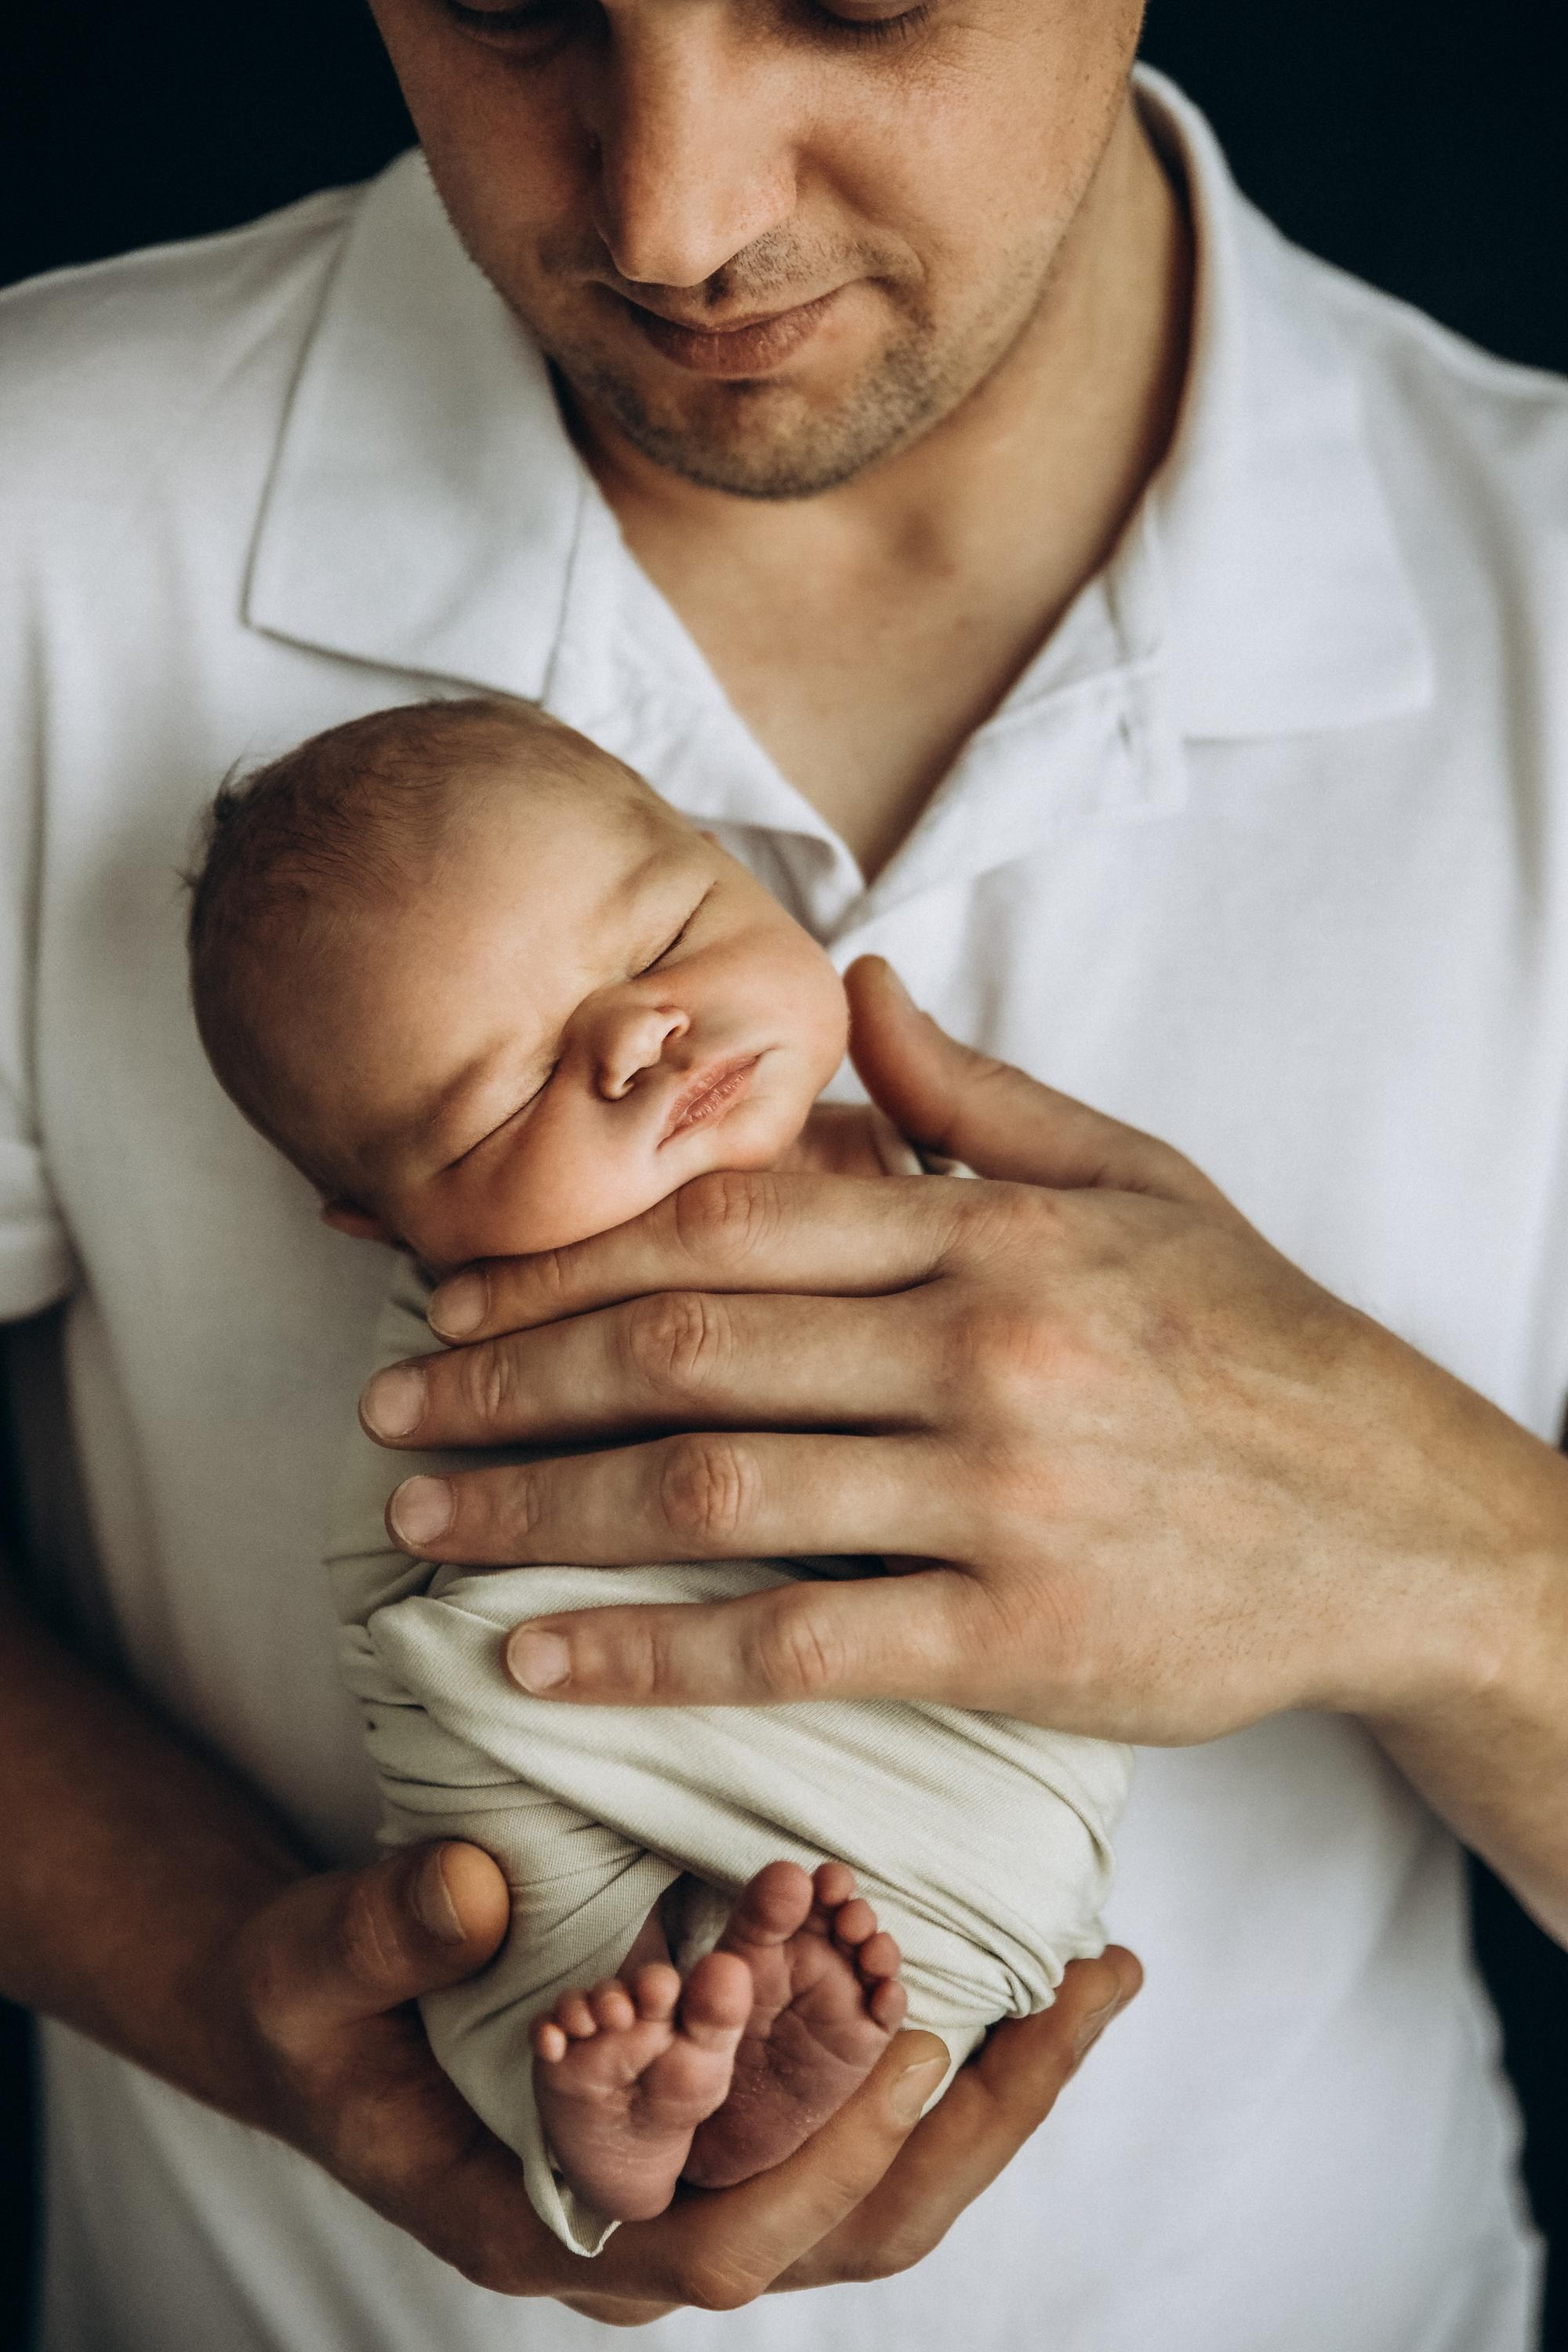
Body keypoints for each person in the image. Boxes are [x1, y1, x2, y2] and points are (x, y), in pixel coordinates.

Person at [1, 1, 1566, 2343]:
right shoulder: (36, 511)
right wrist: (230, 1984)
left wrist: (1451, 1561)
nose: (673, 219)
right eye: (518, 4)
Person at [182, 690, 1131, 2252]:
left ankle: (747, 2068)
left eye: (666, 933)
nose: (637, 1037)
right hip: (555, 1728)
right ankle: (623, 2119)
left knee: (955, 1845)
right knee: (521, 1917)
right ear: (386, 1223)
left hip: (928, 1780)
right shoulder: (460, 1330)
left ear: (730, 859)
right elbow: (405, 1590)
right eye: (501, 1096)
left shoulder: (962, 1196)